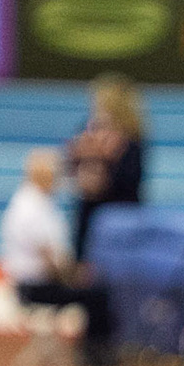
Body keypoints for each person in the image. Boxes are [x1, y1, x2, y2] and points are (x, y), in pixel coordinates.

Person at [0, 148, 118, 366]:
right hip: (36, 285)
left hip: (34, 281)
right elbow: (49, 259)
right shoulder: (31, 208)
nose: (59, 180)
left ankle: (94, 352)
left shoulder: (34, 203)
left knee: (94, 291)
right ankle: (96, 355)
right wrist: (72, 277)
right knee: (97, 295)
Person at [66, 73, 147, 262]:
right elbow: (71, 170)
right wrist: (81, 158)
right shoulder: (86, 132)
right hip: (90, 217)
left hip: (120, 220)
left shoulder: (131, 141)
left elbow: (130, 181)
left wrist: (105, 162)